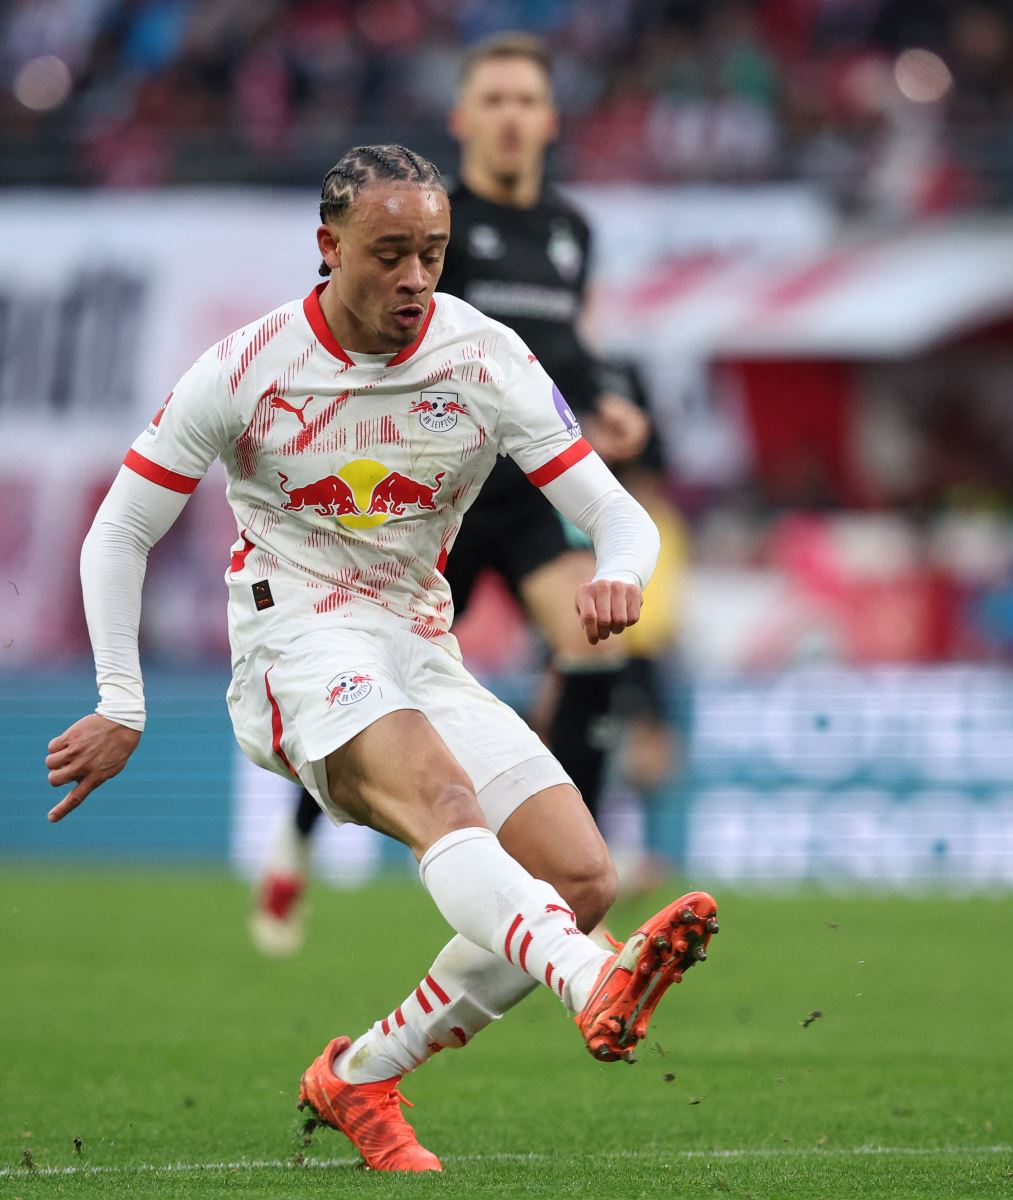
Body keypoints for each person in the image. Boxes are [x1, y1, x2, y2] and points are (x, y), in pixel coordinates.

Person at [43, 144, 718, 1172]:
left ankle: (359, 1077)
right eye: (389, 253)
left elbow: (618, 517)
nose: (414, 278)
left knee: (580, 874)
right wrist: (120, 700)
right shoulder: (247, 367)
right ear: (329, 248)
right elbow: (119, 530)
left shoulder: (482, 357)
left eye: (432, 255)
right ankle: (593, 984)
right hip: (294, 640)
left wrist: (619, 569)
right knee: (447, 806)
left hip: (418, 645)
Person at [251, 32, 652, 957]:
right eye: (495, 100)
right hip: (426, 504)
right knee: (374, 680)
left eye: (527, 101)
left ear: (549, 121)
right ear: (463, 117)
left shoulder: (569, 232)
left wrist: (609, 403)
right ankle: (295, 840)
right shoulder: (431, 226)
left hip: (520, 497)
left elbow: (564, 350)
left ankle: (569, 874)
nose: (511, 118)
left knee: (594, 657)